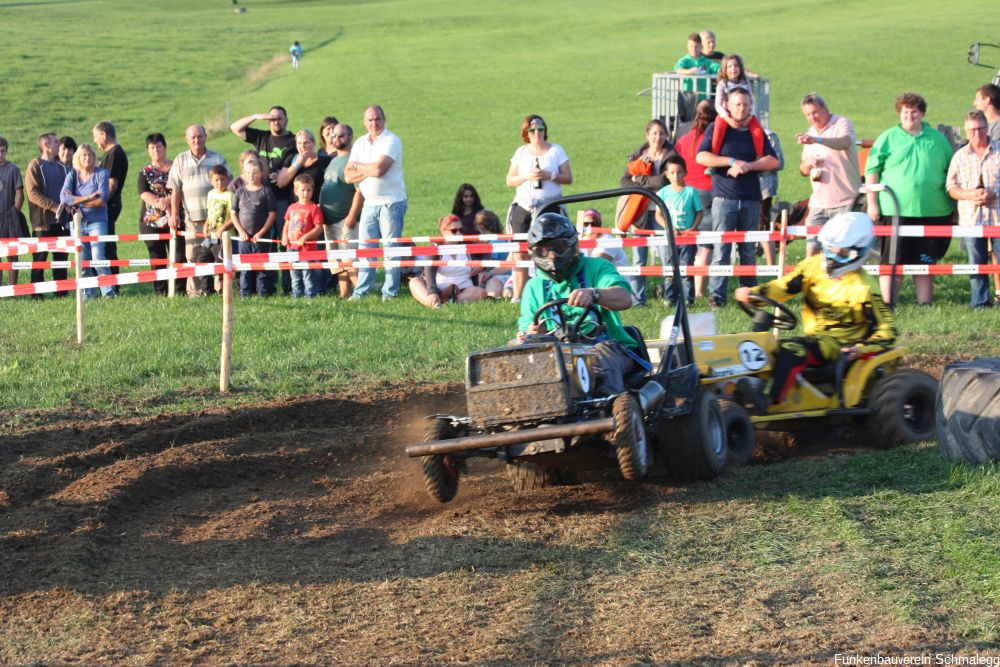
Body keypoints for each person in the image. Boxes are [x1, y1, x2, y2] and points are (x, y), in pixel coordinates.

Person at [734, 212, 896, 412]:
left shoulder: (865, 288)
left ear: (857, 253)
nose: (832, 257)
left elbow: (888, 329)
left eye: (841, 253)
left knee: (793, 349)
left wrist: (860, 349)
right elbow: (782, 288)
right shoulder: (813, 266)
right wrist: (752, 294)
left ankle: (767, 401)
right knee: (757, 345)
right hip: (814, 339)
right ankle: (743, 387)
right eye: (829, 250)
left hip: (841, 345)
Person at [516, 212, 640, 396]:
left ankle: (610, 410)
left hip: (607, 346)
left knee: (599, 357)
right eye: (543, 250)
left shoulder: (596, 267)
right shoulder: (533, 287)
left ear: (571, 245)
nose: (551, 256)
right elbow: (525, 331)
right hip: (557, 353)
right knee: (516, 359)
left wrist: (594, 294)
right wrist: (532, 332)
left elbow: (624, 298)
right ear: (534, 252)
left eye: (558, 247)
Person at [865, 92, 954, 306]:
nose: (910, 116)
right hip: (894, 210)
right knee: (892, 260)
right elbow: (872, 170)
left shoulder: (937, 139)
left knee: (924, 261)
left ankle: (925, 304)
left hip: (934, 210)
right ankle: (889, 304)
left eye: (914, 111)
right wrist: (872, 203)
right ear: (900, 113)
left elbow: (951, 171)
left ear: (922, 113)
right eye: (905, 112)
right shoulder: (887, 138)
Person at [696, 88, 779, 308]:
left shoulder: (755, 130)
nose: (742, 108)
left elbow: (773, 161)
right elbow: (701, 156)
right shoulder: (717, 128)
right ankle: (717, 296)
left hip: (751, 199)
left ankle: (749, 295)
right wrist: (732, 162)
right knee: (721, 250)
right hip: (724, 199)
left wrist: (748, 165)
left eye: (745, 104)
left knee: (748, 251)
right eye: (737, 104)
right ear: (728, 106)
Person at [505, 114, 572, 301]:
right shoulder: (521, 152)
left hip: (549, 205)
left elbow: (568, 178)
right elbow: (510, 180)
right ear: (526, 133)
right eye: (532, 130)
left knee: (549, 250)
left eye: (540, 129)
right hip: (524, 206)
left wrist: (549, 175)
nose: (537, 133)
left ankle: (551, 292)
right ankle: (519, 295)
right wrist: (526, 176)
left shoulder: (556, 150)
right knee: (520, 251)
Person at [345, 104, 408, 301]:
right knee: (366, 250)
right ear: (364, 122)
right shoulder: (360, 143)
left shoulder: (391, 140)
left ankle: (389, 292)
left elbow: (380, 170)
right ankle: (361, 292)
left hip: (391, 202)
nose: (374, 123)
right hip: (369, 204)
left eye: (377, 119)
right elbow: (347, 176)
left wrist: (358, 166)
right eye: (370, 120)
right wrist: (368, 169)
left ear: (384, 119)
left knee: (390, 249)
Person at [796, 92, 862, 257]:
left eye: (815, 112)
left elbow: (845, 142)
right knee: (812, 254)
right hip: (819, 204)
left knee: (841, 255)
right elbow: (802, 171)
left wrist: (818, 140)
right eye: (808, 115)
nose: (812, 117)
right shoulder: (809, 133)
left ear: (825, 108)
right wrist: (807, 164)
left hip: (845, 202)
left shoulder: (841, 123)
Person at [167, 124, 230, 297]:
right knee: (194, 256)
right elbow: (175, 189)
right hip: (192, 220)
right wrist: (173, 214)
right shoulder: (180, 160)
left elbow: (229, 182)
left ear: (205, 137)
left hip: (217, 219)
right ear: (187, 139)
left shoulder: (217, 158)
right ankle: (196, 292)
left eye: (200, 136)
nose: (196, 140)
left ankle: (220, 289)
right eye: (193, 137)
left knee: (218, 255)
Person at [946, 110, 1000, 309]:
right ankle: (980, 303)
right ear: (966, 131)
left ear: (987, 128)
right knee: (976, 264)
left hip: (997, 218)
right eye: (972, 130)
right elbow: (950, 187)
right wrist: (969, 195)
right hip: (972, 219)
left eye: (980, 128)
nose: (977, 133)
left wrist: (993, 193)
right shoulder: (960, 156)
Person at [618, 119, 674, 306]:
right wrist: (649, 181)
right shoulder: (637, 156)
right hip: (639, 211)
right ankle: (637, 300)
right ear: (647, 135)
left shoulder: (671, 155)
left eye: (661, 133)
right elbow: (625, 182)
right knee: (639, 258)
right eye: (654, 133)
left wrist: (640, 180)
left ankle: (669, 297)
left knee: (667, 256)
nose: (658, 137)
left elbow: (665, 181)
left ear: (666, 135)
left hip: (662, 210)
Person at [674, 100, 717, 299]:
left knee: (687, 246)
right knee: (706, 245)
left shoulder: (684, 140)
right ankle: (700, 291)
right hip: (709, 192)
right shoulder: (716, 139)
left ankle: (684, 289)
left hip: (686, 194)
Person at [60, 143, 114, 299]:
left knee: (98, 257)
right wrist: (89, 197)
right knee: (83, 259)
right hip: (77, 222)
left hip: (97, 221)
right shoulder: (72, 175)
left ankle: (108, 292)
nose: (87, 158)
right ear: (78, 157)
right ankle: (88, 293)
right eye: (84, 155)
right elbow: (63, 198)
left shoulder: (101, 174)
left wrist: (76, 201)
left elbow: (101, 201)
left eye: (90, 155)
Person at [319, 123, 363, 299]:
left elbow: (360, 191)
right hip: (329, 221)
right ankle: (344, 294)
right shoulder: (334, 160)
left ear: (350, 136)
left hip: (345, 220)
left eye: (341, 135)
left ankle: (361, 293)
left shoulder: (353, 160)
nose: (337, 139)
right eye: (334, 136)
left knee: (350, 260)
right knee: (338, 262)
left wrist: (351, 216)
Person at [137, 132, 183, 296]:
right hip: (152, 222)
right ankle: (161, 291)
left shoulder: (176, 167)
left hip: (176, 219)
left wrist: (169, 200)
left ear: (165, 147)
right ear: (148, 150)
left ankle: (179, 290)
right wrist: (161, 203)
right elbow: (143, 193)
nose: (156, 150)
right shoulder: (145, 172)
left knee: (178, 255)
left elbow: (182, 190)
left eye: (159, 146)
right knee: (157, 257)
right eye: (152, 147)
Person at [409, 214, 488, 308]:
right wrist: (432, 292)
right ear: (443, 231)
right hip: (438, 288)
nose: (458, 233)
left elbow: (487, 252)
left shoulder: (467, 244)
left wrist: (481, 266)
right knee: (414, 282)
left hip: (464, 289)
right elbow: (429, 271)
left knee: (480, 292)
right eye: (454, 231)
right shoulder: (435, 248)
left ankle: (448, 302)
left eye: (461, 230)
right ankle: (435, 302)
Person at [655, 155, 704, 306]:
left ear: (685, 173)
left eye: (680, 172)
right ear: (667, 174)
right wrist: (669, 228)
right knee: (670, 269)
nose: (676, 176)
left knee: (686, 269)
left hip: (687, 238)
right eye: (673, 172)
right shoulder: (662, 193)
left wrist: (693, 228)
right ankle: (669, 298)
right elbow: (658, 215)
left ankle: (688, 300)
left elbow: (699, 212)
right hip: (671, 238)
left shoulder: (691, 192)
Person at [26, 132, 71, 293]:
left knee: (62, 260)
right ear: (46, 146)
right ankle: (37, 294)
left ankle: (62, 293)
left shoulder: (63, 168)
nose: (59, 144)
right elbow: (33, 193)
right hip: (42, 224)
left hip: (62, 223)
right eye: (55, 141)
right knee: (40, 261)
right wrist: (54, 206)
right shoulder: (35, 166)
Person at [231, 157, 277, 297]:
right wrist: (240, 231)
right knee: (244, 267)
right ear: (243, 174)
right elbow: (233, 213)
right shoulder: (239, 192)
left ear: (261, 173)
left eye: (255, 172)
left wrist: (262, 233)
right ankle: (244, 293)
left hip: (261, 237)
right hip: (243, 237)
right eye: (248, 172)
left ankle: (262, 292)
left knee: (261, 266)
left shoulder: (266, 192)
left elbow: (272, 214)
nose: (251, 175)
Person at [93, 121, 128, 286]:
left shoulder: (114, 154)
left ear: (104, 135)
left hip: (107, 206)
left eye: (96, 137)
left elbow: (111, 185)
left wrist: (96, 204)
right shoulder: (109, 154)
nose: (95, 141)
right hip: (105, 205)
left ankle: (112, 284)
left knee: (106, 246)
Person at [713, 54, 764, 155]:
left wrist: (750, 116)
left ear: (740, 68)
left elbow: (752, 101)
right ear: (724, 69)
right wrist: (728, 119)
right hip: (727, 114)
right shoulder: (722, 84)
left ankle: (759, 155)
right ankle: (714, 154)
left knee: (757, 130)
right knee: (718, 128)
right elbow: (718, 105)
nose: (733, 69)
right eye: (729, 67)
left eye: (736, 66)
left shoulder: (745, 82)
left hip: (745, 113)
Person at [282, 174, 323, 298]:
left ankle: (310, 296)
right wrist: (284, 236)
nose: (306, 193)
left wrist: (305, 238)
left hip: (307, 249)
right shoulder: (291, 207)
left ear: (313, 190)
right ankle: (296, 296)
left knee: (307, 274)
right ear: (296, 191)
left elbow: (319, 228)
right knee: (294, 274)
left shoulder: (314, 208)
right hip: (291, 247)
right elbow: (287, 224)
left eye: (309, 190)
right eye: (302, 190)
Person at [202, 164, 234, 293]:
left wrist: (223, 229)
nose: (219, 182)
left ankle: (224, 290)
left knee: (221, 263)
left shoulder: (230, 195)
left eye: (222, 179)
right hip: (210, 236)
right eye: (216, 180)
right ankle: (207, 290)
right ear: (211, 181)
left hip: (224, 238)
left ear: (227, 179)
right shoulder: (210, 194)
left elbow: (234, 218)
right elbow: (210, 214)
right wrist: (205, 225)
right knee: (202, 260)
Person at [0, 136, 26, 288]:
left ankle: (12, 287)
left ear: (6, 151)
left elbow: (20, 193)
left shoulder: (13, 169)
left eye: (3, 151)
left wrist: (14, 212)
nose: (0, 155)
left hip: (9, 216)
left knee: (11, 253)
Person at [757, 126, 784, 266]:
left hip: (763, 189)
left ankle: (770, 267)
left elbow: (779, 163)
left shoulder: (768, 135)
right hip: (740, 189)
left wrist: (754, 165)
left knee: (763, 227)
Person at [473, 209, 509, 298]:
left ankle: (491, 295)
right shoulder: (504, 238)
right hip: (510, 276)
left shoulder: (493, 243)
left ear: (480, 227)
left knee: (480, 275)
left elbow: (485, 266)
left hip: (499, 277)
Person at [673, 33, 719, 99]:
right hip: (688, 98)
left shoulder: (707, 62)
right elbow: (678, 70)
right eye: (691, 46)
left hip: (704, 98)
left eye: (696, 46)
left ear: (701, 46)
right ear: (687, 46)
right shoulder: (684, 60)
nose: (693, 49)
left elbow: (717, 68)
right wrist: (689, 71)